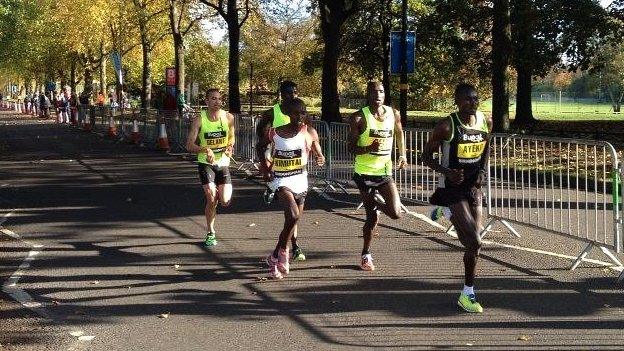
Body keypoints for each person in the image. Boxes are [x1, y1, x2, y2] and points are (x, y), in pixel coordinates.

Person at [422, 83, 492, 313]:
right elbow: (426, 156)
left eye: (476, 99)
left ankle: (449, 214)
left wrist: (482, 171)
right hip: (452, 188)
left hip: (473, 187)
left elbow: (486, 148)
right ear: (457, 101)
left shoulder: (485, 121)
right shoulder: (446, 126)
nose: (472, 103)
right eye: (467, 99)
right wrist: (447, 172)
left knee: (471, 243)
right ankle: (467, 294)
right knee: (475, 241)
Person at [258, 98, 325, 279]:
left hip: (300, 180)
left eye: (303, 112)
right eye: (296, 113)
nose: (300, 116)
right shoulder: (275, 133)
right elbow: (260, 146)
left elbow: (319, 151)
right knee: (293, 215)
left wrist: (319, 157)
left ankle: (274, 256)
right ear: (287, 114)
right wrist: (265, 169)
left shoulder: (309, 132)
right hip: (281, 180)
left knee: (292, 222)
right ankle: (284, 254)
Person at [348, 80, 407, 271]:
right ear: (368, 95)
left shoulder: (393, 113)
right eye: (374, 92)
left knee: (396, 213)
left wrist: (403, 155)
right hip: (364, 173)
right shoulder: (359, 118)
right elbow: (351, 147)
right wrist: (367, 148)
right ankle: (366, 254)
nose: (379, 95)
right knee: (371, 218)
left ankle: (376, 202)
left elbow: (399, 133)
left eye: (381, 91)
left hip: (384, 172)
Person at [255, 80, 307, 262]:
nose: (291, 96)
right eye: (287, 93)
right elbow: (261, 135)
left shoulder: (300, 112)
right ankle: (272, 186)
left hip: (295, 167)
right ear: (281, 94)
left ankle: (294, 245)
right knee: (291, 212)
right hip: (275, 154)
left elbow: (309, 135)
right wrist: (265, 162)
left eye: (294, 92)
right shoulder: (272, 113)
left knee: (294, 214)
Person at [185, 89, 235, 247]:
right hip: (206, 163)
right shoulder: (199, 120)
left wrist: (229, 148)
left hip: (223, 163)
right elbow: (189, 145)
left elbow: (231, 138)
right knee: (211, 198)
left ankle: (216, 201)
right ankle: (211, 232)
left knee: (225, 201)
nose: (217, 102)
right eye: (213, 99)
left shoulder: (228, 117)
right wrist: (205, 150)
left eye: (220, 99)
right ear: (206, 101)